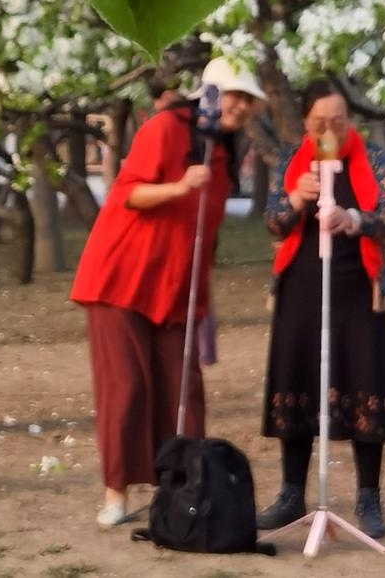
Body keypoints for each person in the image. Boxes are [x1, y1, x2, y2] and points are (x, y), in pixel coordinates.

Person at [71, 57, 266, 529]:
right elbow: (128, 193)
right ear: (211, 94)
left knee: (184, 390)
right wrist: (179, 187)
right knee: (128, 388)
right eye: (234, 95)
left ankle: (183, 486)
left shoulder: (219, 152)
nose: (240, 106)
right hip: (122, 278)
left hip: (177, 288)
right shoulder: (165, 128)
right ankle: (116, 493)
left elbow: (207, 235)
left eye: (247, 99)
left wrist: (202, 301)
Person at [257, 79, 385, 541]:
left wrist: (354, 219)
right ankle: (290, 493)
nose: (330, 130)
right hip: (301, 286)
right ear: (305, 122)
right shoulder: (291, 159)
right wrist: (297, 199)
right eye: (321, 122)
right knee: (298, 378)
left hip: (358, 289)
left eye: (338, 121)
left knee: (365, 379)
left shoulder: (373, 157)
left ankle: (369, 497)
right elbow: (273, 220)